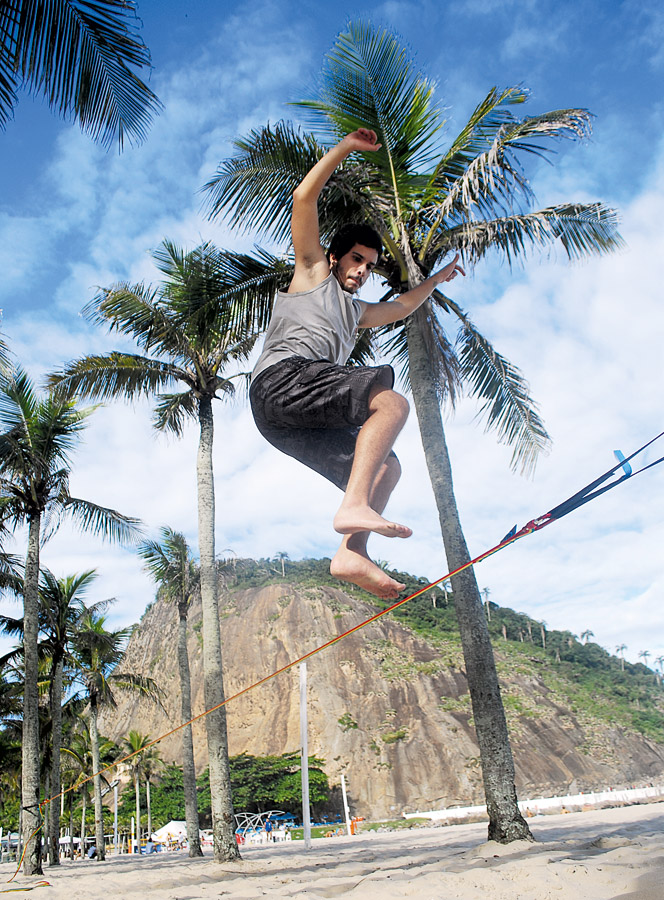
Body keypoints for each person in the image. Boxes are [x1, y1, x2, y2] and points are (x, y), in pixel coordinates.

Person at [250, 128, 464, 599]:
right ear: (334, 256)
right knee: (390, 404)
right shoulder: (312, 274)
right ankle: (352, 507)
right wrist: (344, 149)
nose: (362, 269)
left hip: (285, 422)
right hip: (280, 382)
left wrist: (437, 279)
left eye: (369, 264)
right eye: (355, 258)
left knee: (387, 467)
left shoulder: (356, 313)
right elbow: (303, 199)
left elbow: (403, 306)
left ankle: (351, 551)